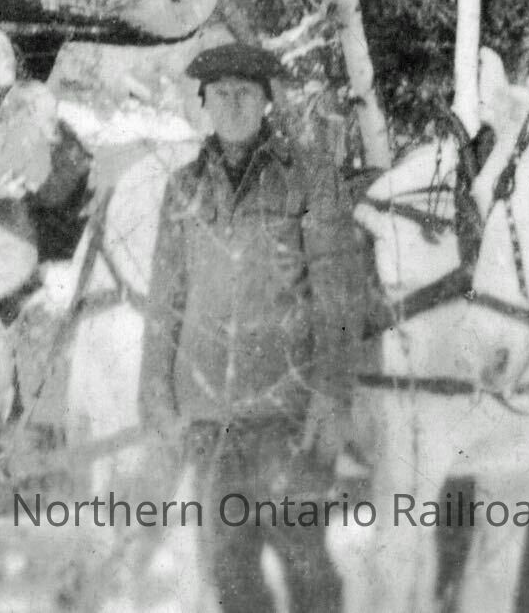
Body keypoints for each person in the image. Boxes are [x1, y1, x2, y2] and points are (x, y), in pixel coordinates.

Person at [139, 43, 362, 613]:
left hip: (287, 413)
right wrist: (156, 395)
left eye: (246, 92)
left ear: (266, 100)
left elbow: (337, 295)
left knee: (305, 561)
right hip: (209, 416)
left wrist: (333, 395)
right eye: (221, 94)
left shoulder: (309, 177)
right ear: (205, 102)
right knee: (230, 571)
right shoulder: (183, 188)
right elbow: (165, 300)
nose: (233, 104)